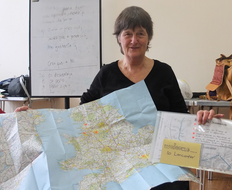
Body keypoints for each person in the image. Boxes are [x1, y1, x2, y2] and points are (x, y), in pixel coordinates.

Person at [16, 6, 224, 189]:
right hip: (116, 161)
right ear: (119, 38)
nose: (134, 40)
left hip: (161, 158)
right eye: (128, 34)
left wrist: (202, 119)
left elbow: (180, 117)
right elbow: (78, 117)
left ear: (148, 38)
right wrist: (37, 117)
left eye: (140, 34)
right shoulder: (106, 74)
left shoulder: (164, 72)